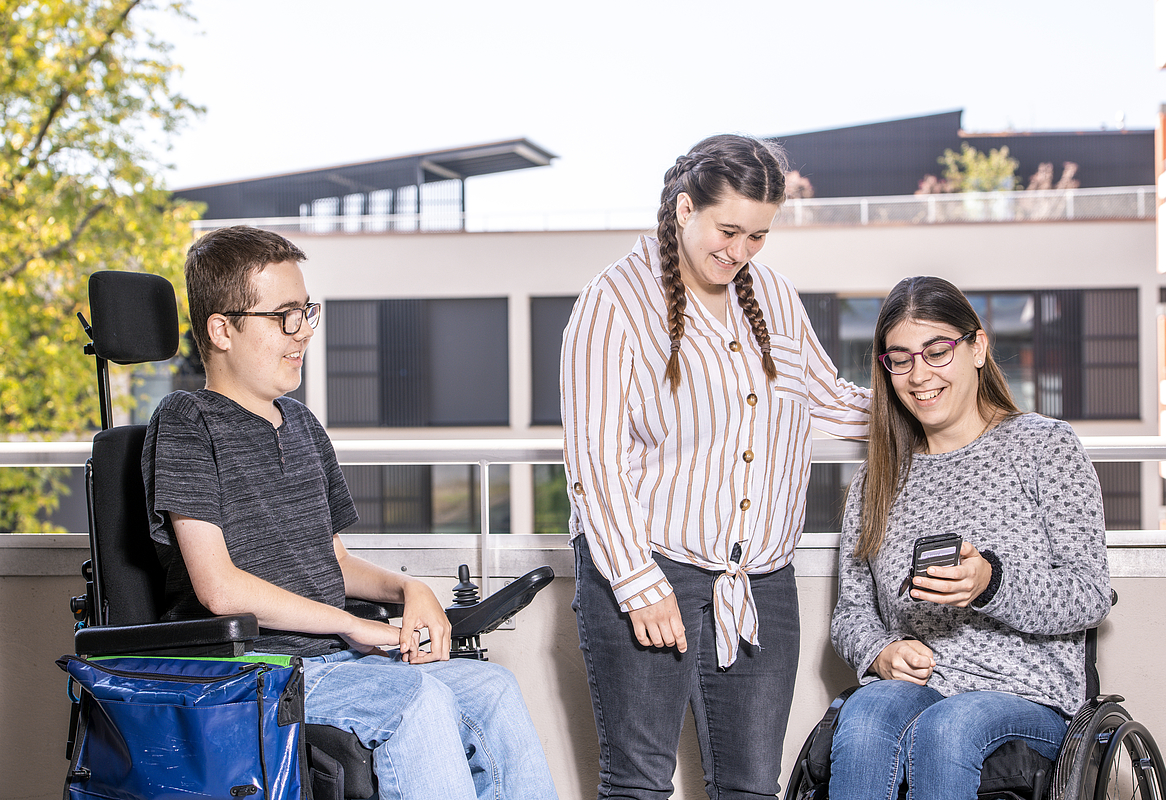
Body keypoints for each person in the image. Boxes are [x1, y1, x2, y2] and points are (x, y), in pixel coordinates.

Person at [141, 225, 557, 800]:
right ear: (222, 329)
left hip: (336, 663)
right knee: (421, 697)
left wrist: (410, 589)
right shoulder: (187, 421)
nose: (304, 331)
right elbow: (220, 589)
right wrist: (354, 624)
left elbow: (333, 564)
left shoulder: (304, 426)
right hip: (256, 671)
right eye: (284, 316)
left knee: (493, 687)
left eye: (307, 311)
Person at [560, 134, 871, 800]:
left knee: (754, 786)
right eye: (728, 230)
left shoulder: (776, 301)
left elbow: (829, 404)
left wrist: (939, 408)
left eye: (757, 236)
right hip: (650, 563)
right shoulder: (613, 304)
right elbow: (595, 457)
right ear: (683, 209)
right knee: (641, 781)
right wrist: (637, 581)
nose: (739, 252)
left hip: (761, 579)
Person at [828, 275, 1112, 799]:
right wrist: (880, 651)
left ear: (978, 347)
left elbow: (1090, 594)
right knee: (865, 715)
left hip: (1030, 694)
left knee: (950, 726)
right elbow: (851, 613)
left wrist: (990, 582)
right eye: (901, 358)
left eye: (937, 351)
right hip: (919, 684)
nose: (919, 375)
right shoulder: (877, 478)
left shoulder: (1044, 447)